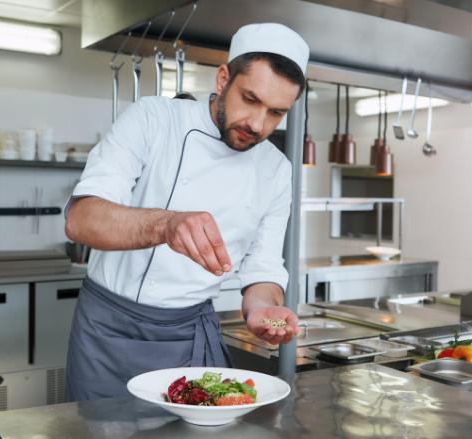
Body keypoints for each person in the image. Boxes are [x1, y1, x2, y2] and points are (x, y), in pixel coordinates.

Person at [63, 23, 310, 401]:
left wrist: (261, 308)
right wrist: (167, 225)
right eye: (250, 99)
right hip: (107, 332)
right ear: (223, 78)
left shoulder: (276, 170)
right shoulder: (154, 119)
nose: (258, 125)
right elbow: (81, 219)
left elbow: (262, 269)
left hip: (188, 335)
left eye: (276, 113)